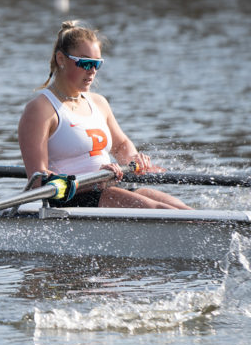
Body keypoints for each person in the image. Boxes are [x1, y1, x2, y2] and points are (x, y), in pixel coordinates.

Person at [17, 20, 190, 209]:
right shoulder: (40, 109)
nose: (92, 71)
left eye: (97, 64)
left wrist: (134, 159)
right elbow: (37, 180)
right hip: (72, 200)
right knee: (162, 211)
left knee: (186, 211)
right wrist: (90, 181)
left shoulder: (99, 102)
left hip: (109, 187)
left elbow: (121, 145)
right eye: (85, 63)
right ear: (61, 59)